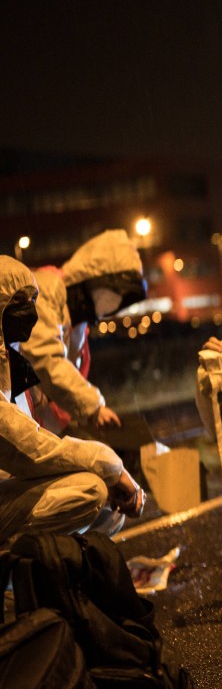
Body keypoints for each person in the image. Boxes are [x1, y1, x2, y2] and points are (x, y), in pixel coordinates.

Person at [0, 257, 144, 543]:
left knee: (109, 507)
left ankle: (48, 569)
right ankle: (13, 573)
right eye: (19, 303)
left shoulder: (8, 362)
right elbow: (27, 447)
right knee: (91, 490)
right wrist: (110, 465)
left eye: (32, 300)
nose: (30, 312)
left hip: (9, 483)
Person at [21, 230, 147, 436]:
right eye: (114, 290)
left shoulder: (78, 324)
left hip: (38, 428)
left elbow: (66, 381)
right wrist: (93, 408)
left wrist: (85, 418)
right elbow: (46, 359)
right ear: (95, 279)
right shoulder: (45, 290)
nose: (113, 304)